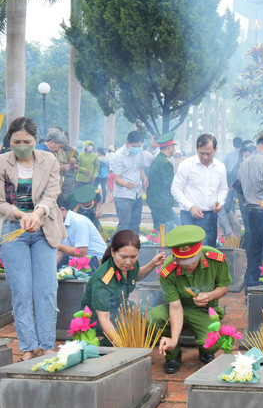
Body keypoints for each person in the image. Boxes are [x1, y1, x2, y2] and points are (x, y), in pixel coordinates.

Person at [0, 117, 65, 361]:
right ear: (10, 141)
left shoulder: (49, 160)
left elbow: (52, 193)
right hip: (12, 229)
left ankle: (47, 344)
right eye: (17, 141)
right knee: (21, 291)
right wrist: (20, 215)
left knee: (46, 289)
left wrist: (37, 214)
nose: (22, 145)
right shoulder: (1, 163)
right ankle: (27, 346)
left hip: (43, 228)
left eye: (27, 141)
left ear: (36, 140)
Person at [151, 225, 232, 373]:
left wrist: (209, 296)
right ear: (175, 257)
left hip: (204, 310)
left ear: (200, 251)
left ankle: (204, 350)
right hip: (178, 307)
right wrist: (174, 340)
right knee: (153, 318)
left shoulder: (216, 259)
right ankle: (173, 354)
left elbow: (224, 287)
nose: (188, 265)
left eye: (193, 260)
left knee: (213, 343)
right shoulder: (167, 271)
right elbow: (175, 307)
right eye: (182, 261)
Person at [80, 230, 164, 344]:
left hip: (122, 305)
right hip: (99, 320)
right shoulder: (103, 279)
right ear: (113, 252)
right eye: (123, 257)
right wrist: (119, 342)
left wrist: (153, 264)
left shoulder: (131, 264)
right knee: (132, 333)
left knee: (154, 317)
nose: (128, 262)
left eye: (133, 256)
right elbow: (104, 318)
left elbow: (135, 275)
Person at [171, 134, 227, 248]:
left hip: (211, 215)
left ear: (215, 150)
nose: (205, 157)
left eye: (209, 153)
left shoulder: (220, 167)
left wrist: (220, 202)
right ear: (197, 149)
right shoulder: (186, 165)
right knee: (190, 250)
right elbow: (175, 189)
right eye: (202, 153)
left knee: (208, 250)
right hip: (189, 216)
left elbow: (223, 188)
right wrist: (190, 206)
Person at [238, 132, 263, 291]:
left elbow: (239, 187)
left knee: (254, 250)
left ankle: (251, 287)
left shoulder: (245, 163)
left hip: (250, 211)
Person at [110, 131, 148, 233]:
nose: (137, 148)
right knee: (124, 225)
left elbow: (140, 168)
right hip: (123, 195)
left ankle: (134, 247)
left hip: (137, 194)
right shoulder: (118, 156)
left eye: (139, 146)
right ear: (128, 143)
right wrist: (126, 184)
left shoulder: (139, 151)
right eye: (135, 146)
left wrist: (144, 178)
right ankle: (121, 247)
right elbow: (117, 178)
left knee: (135, 224)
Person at [57, 194, 107, 267]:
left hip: (97, 260)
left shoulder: (79, 221)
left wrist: (57, 245)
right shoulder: (58, 223)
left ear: (62, 210)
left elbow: (81, 252)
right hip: (78, 259)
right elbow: (59, 253)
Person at [147, 132, 179, 232]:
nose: (174, 149)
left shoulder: (159, 159)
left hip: (157, 199)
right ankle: (164, 247)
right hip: (161, 200)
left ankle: (159, 246)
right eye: (173, 146)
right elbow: (171, 184)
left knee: (159, 227)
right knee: (167, 227)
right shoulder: (165, 162)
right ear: (169, 147)